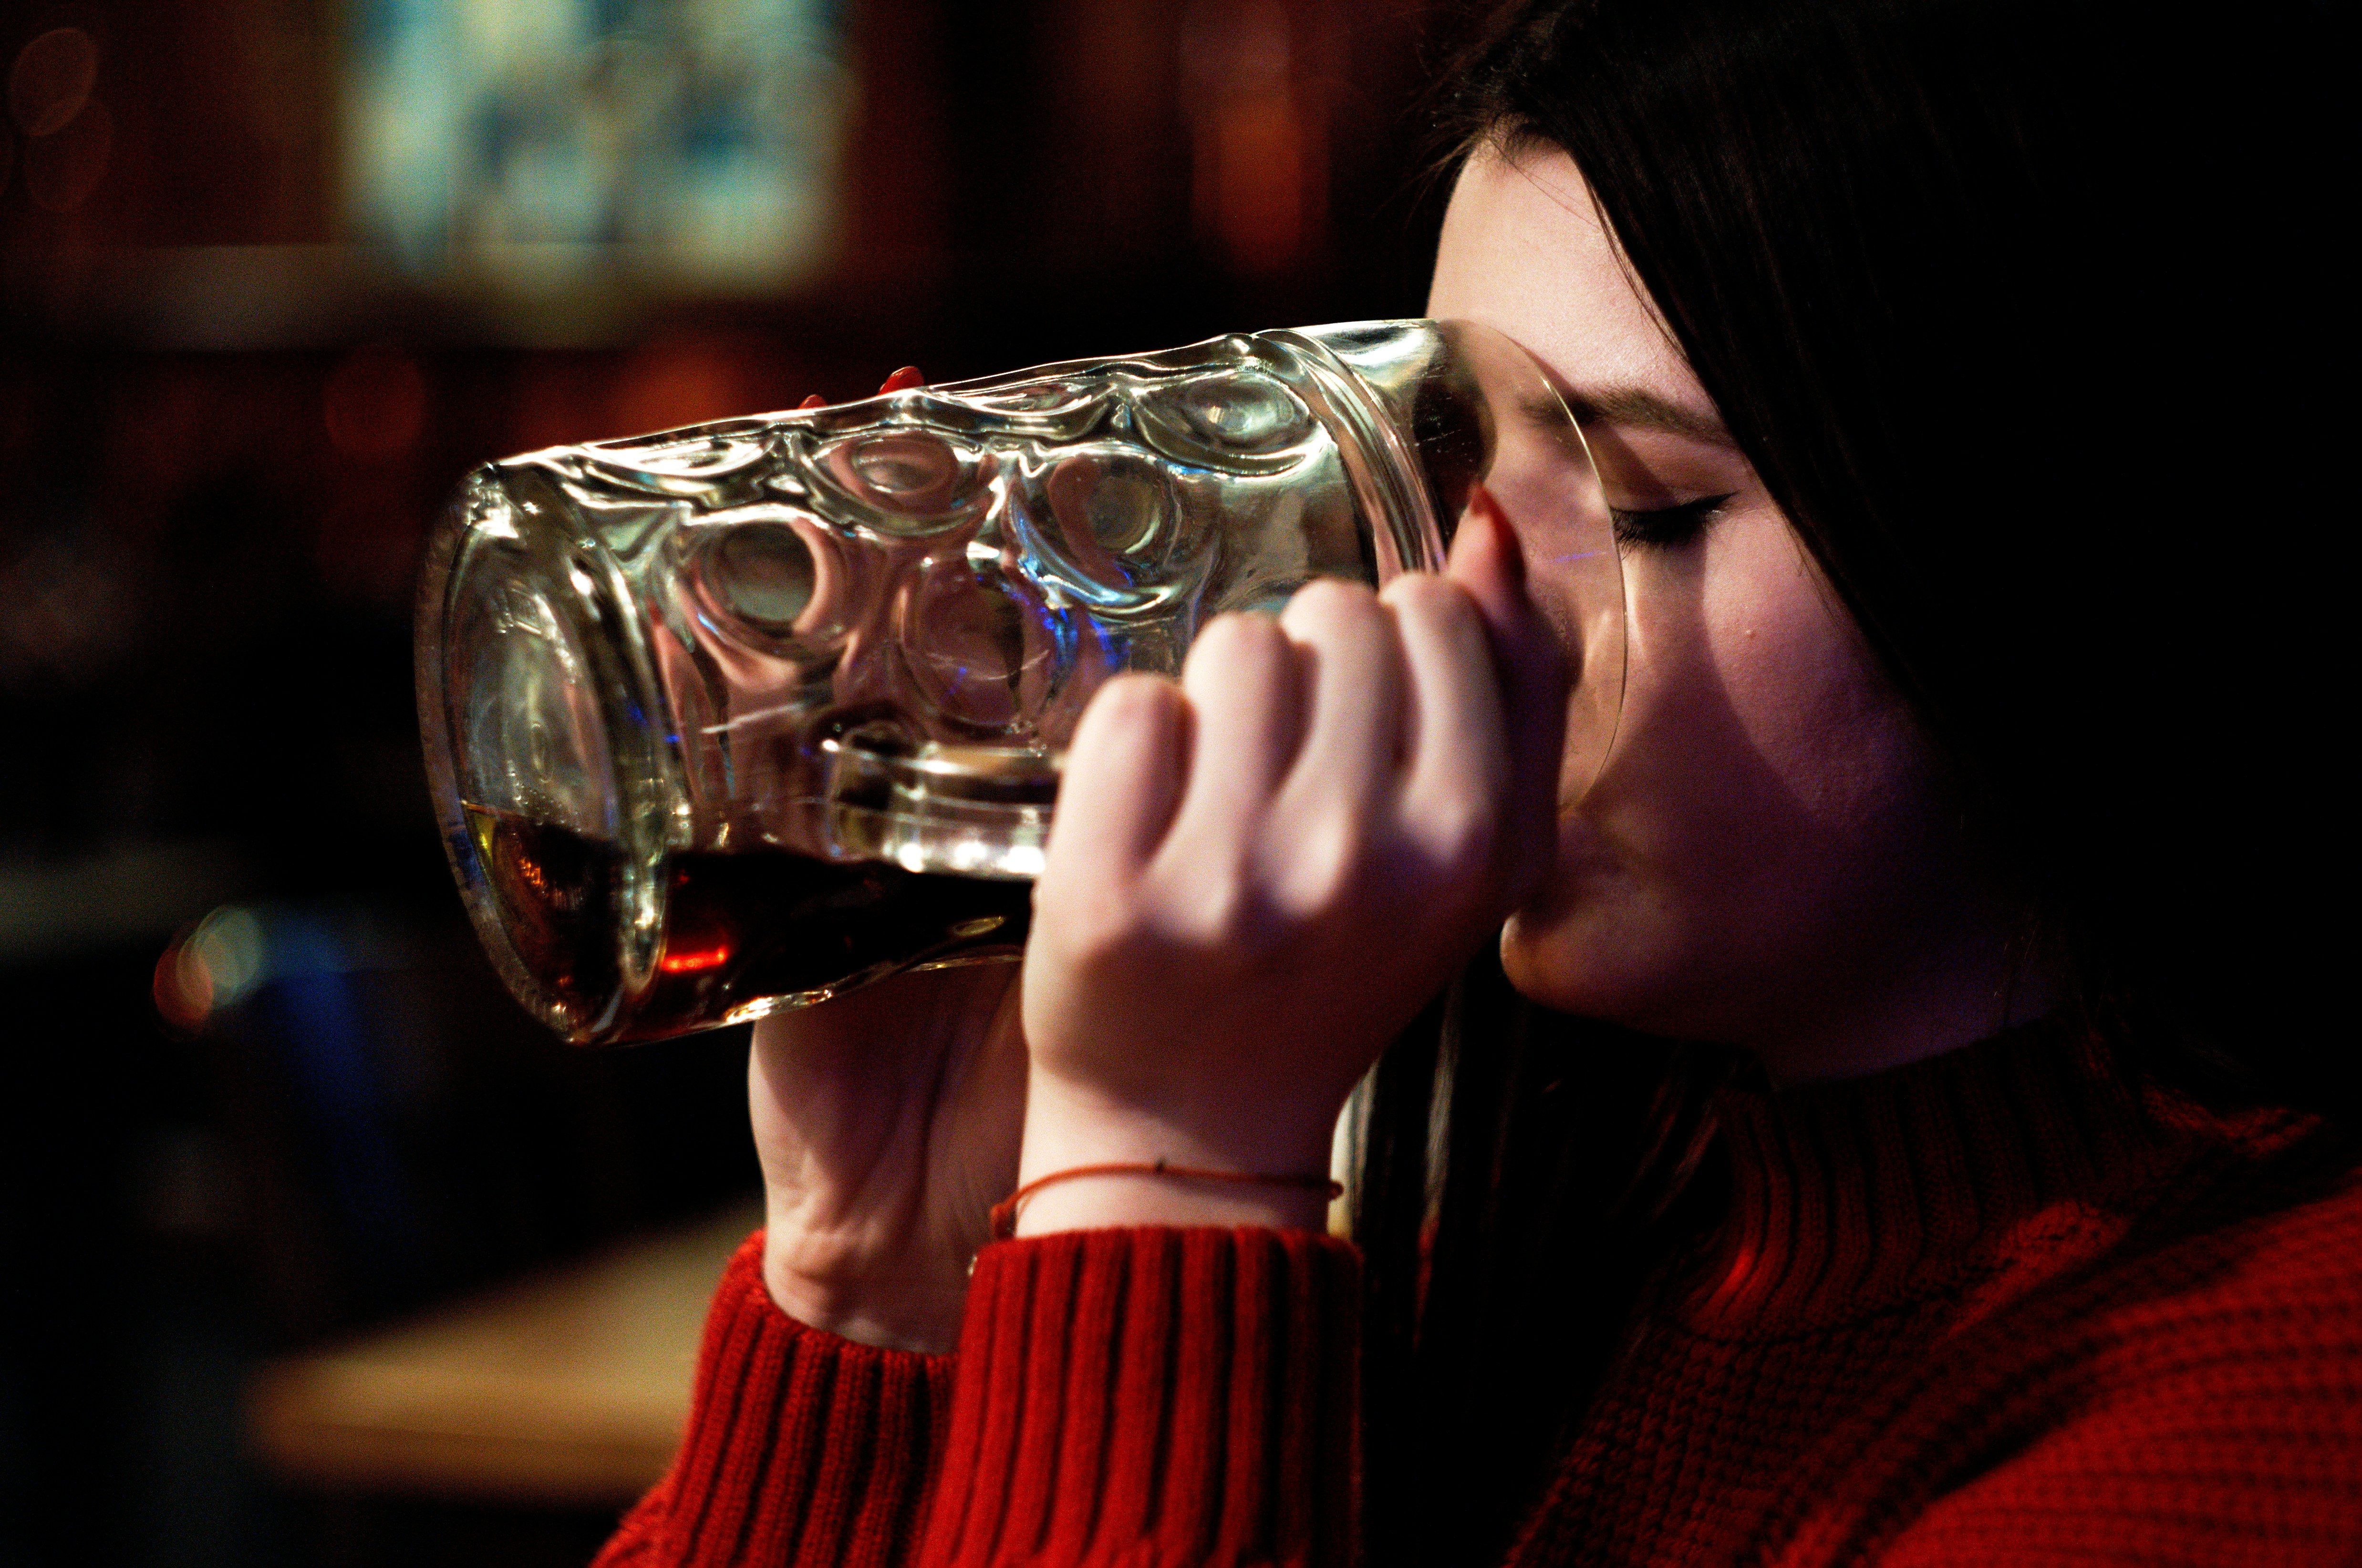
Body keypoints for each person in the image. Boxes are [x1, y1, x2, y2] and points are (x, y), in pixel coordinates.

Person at [596, 0, 2353, 1562]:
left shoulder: (2264, 1400)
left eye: (1653, 508)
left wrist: (1171, 1166)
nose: (1461, 595)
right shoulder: (1547, 1271)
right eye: (1453, 474)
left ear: (2057, 550)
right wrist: (880, 1275)